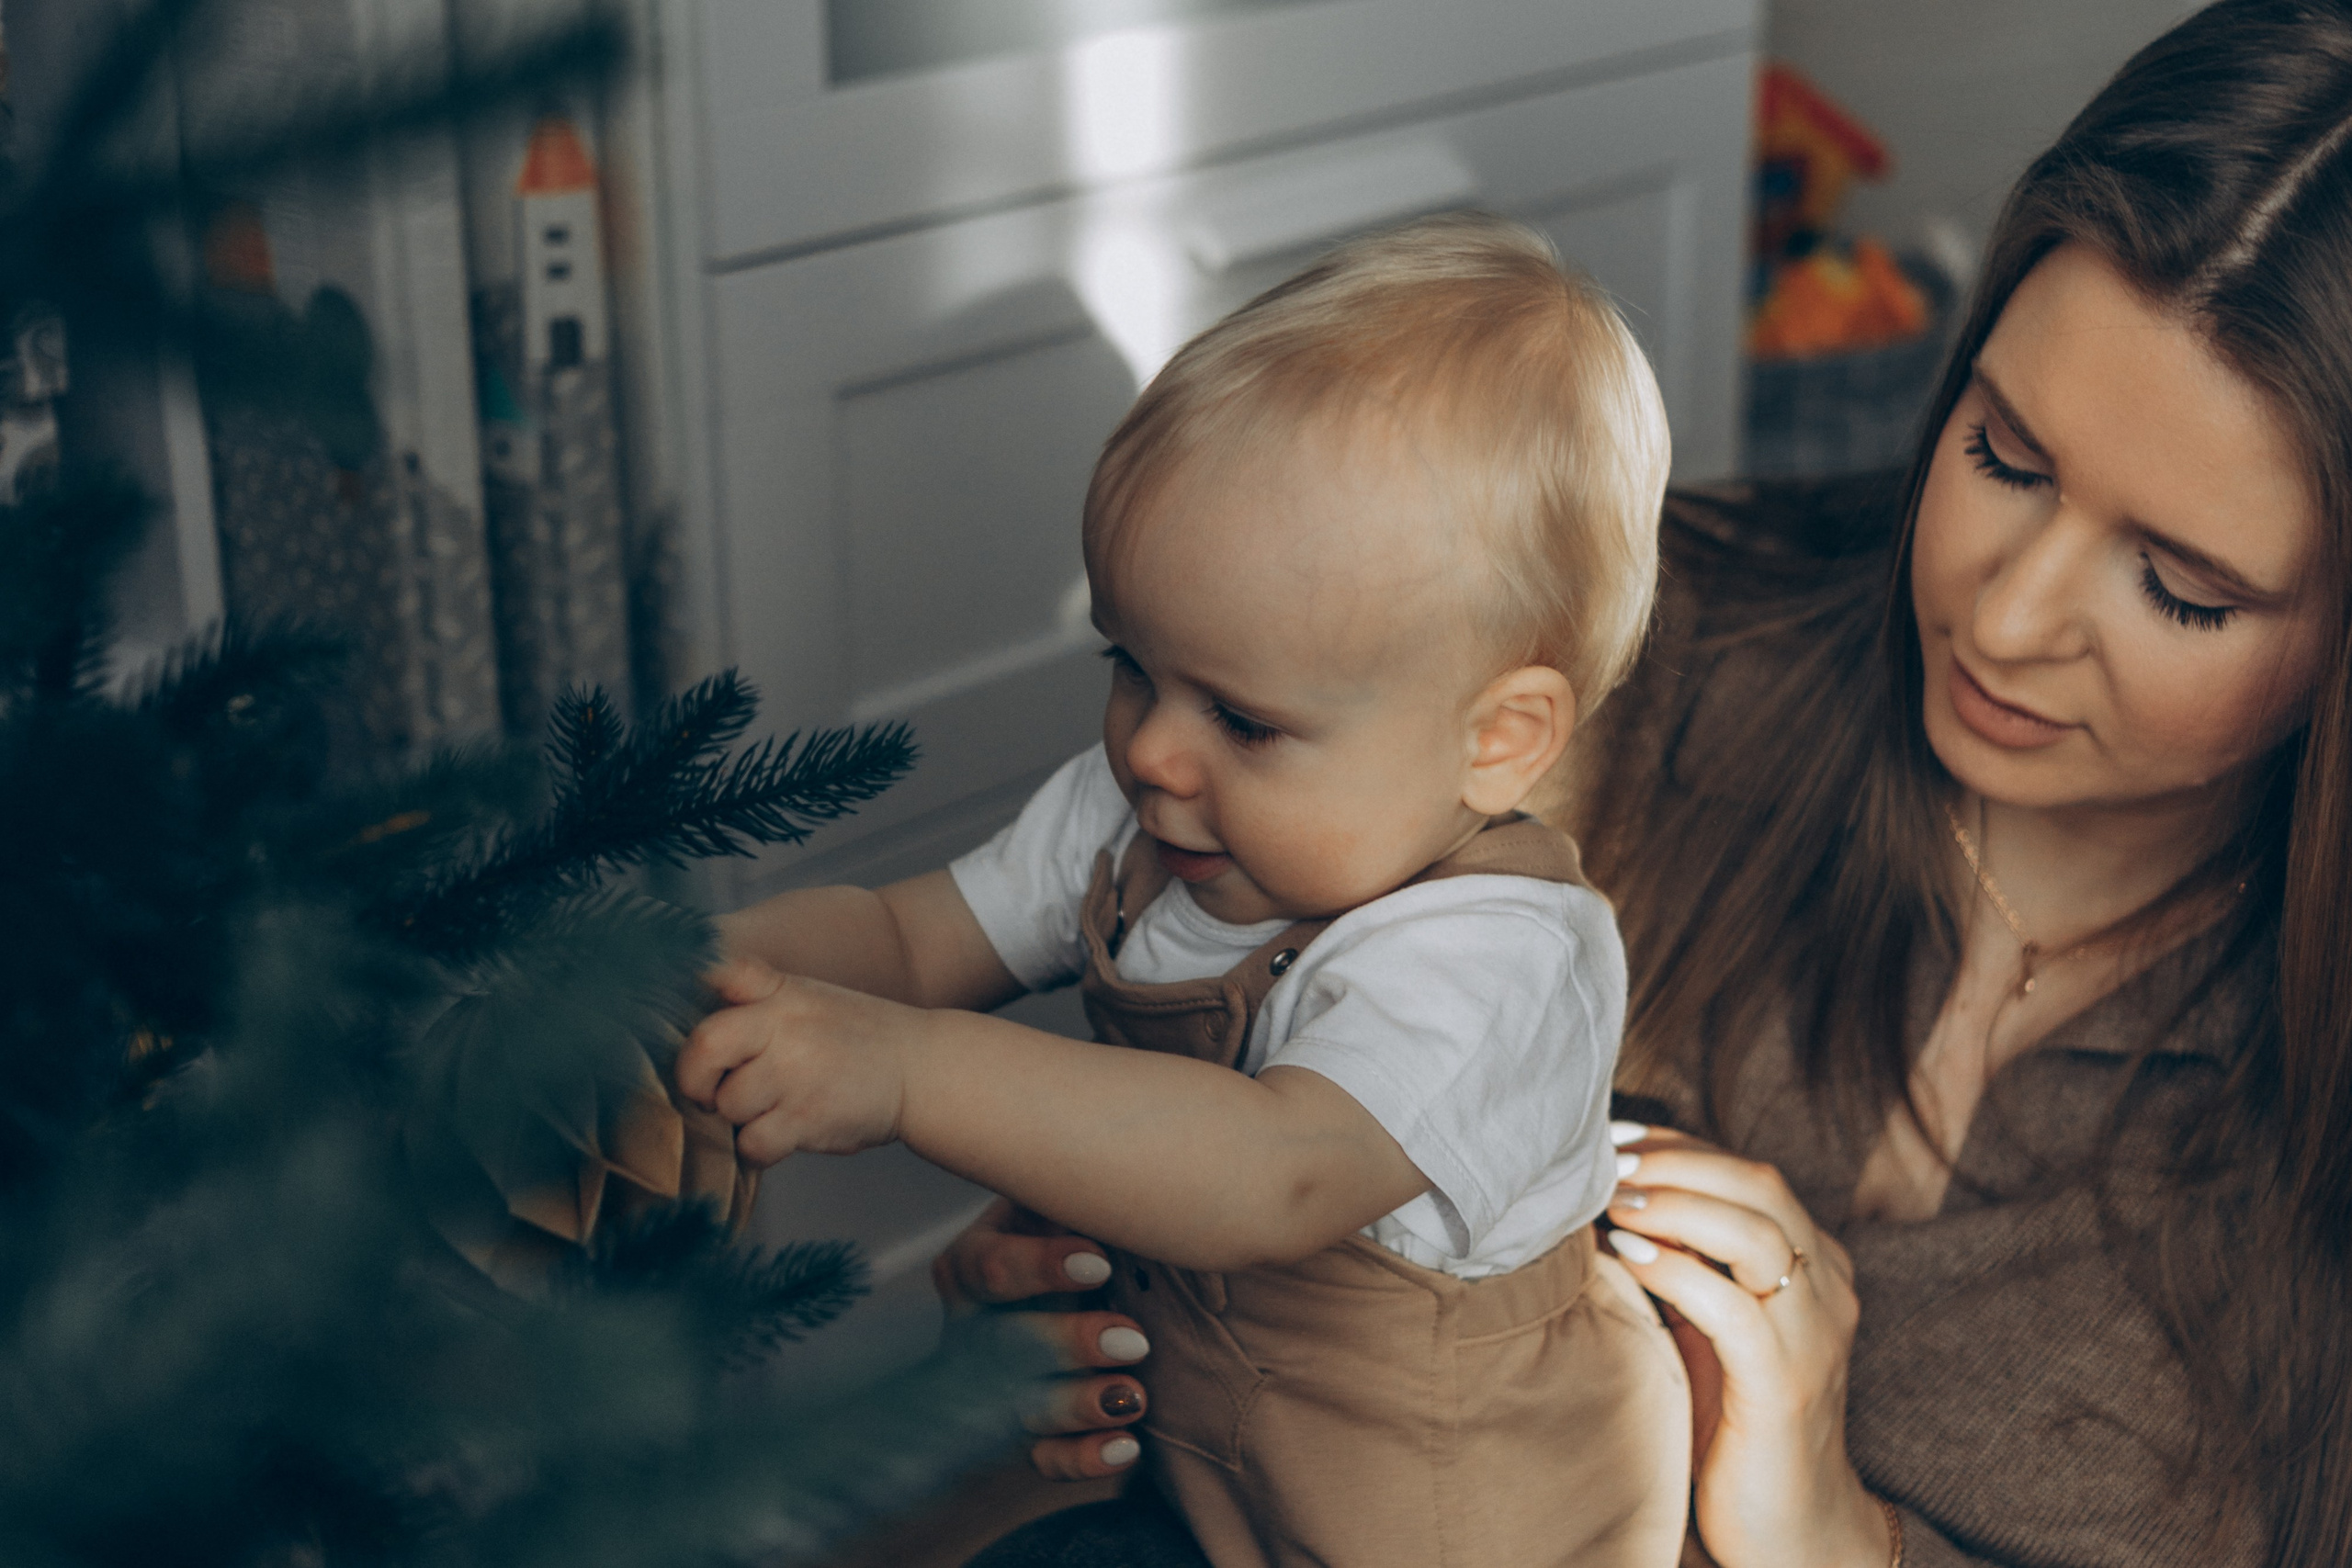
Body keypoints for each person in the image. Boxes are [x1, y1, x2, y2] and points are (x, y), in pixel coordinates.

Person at [944, 2, 2352, 1563]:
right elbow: (1215, 1109)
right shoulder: (1628, 668)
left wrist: (1838, 1541)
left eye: (2183, 588)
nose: (2004, 617)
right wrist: (1089, 1276)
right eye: (2004, 458)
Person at [677, 217, 1693, 1568]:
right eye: (1131, 665)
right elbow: (909, 937)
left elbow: (1267, 1173)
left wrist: (903, 1072)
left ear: (1494, 739)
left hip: (1458, 1527)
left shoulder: (1501, 956)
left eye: (1244, 719)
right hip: (1217, 1485)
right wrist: (721, 978)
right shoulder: (1150, 815)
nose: (1153, 748)